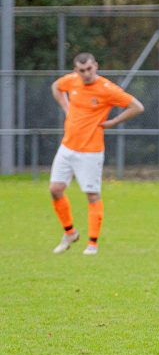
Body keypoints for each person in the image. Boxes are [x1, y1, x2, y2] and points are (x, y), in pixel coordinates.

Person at [49, 52, 145, 255]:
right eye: (81, 70)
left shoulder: (107, 89)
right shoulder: (72, 82)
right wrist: (66, 107)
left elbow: (137, 107)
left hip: (91, 151)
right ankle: (70, 233)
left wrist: (112, 122)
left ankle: (92, 244)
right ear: (76, 71)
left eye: (89, 69)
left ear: (96, 66)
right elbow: (56, 87)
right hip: (67, 147)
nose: (86, 74)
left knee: (92, 195)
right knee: (55, 189)